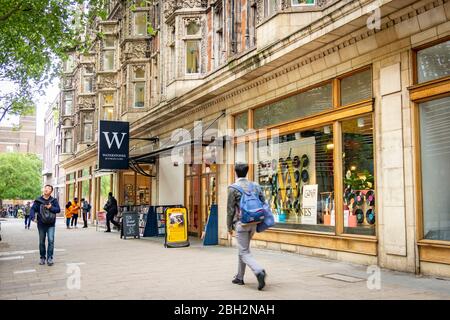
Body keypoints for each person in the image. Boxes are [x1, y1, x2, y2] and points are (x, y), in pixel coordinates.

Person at [227, 163, 267, 290]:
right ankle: (239, 277)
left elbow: (230, 210)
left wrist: (229, 227)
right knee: (243, 249)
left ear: (236, 173)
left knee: (244, 251)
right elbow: (263, 201)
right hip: (254, 223)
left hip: (241, 224)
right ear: (247, 172)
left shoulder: (233, 188)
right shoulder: (255, 186)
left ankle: (259, 270)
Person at [29, 185, 61, 266]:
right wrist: (32, 217)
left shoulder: (53, 200)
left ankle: (50, 258)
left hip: (51, 224)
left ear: (51, 191)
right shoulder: (38, 200)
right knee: (41, 242)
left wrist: (51, 207)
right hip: (41, 224)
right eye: (46, 188)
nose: (47, 189)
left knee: (51, 241)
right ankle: (42, 257)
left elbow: (58, 210)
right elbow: (33, 209)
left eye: (49, 188)